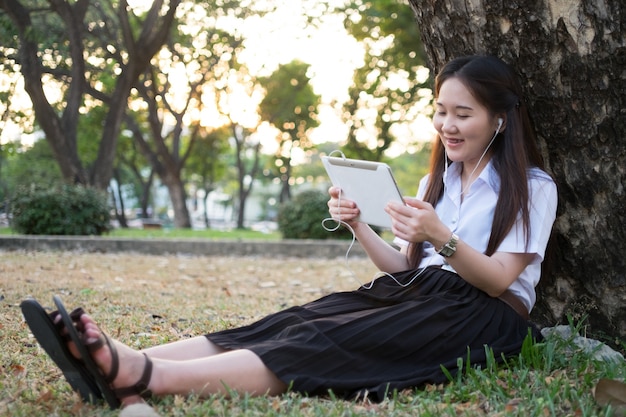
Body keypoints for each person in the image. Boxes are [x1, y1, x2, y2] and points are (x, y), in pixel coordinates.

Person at [21, 55, 558, 410]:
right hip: (417, 292)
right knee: (295, 320)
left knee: (324, 342)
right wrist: (360, 227)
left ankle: (143, 376)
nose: (447, 125)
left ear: (500, 120)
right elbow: (402, 268)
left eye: (463, 113)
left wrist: (440, 235)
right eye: (440, 111)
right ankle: (120, 357)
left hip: (483, 316)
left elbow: (496, 283)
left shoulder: (532, 186)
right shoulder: (434, 180)